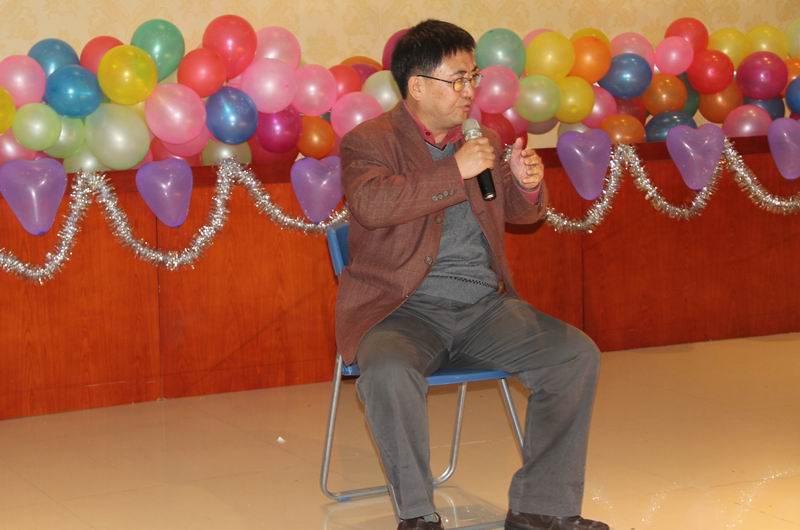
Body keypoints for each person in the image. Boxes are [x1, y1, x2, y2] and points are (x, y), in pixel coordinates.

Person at [335, 19, 608, 530]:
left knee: (575, 356)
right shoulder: (368, 141)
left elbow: (520, 214)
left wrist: (526, 185)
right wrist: (453, 170)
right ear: (417, 86)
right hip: (401, 310)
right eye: (457, 79)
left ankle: (540, 508)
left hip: (484, 308)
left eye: (473, 77)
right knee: (389, 373)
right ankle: (418, 515)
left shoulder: (484, 138)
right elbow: (372, 204)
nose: (469, 91)